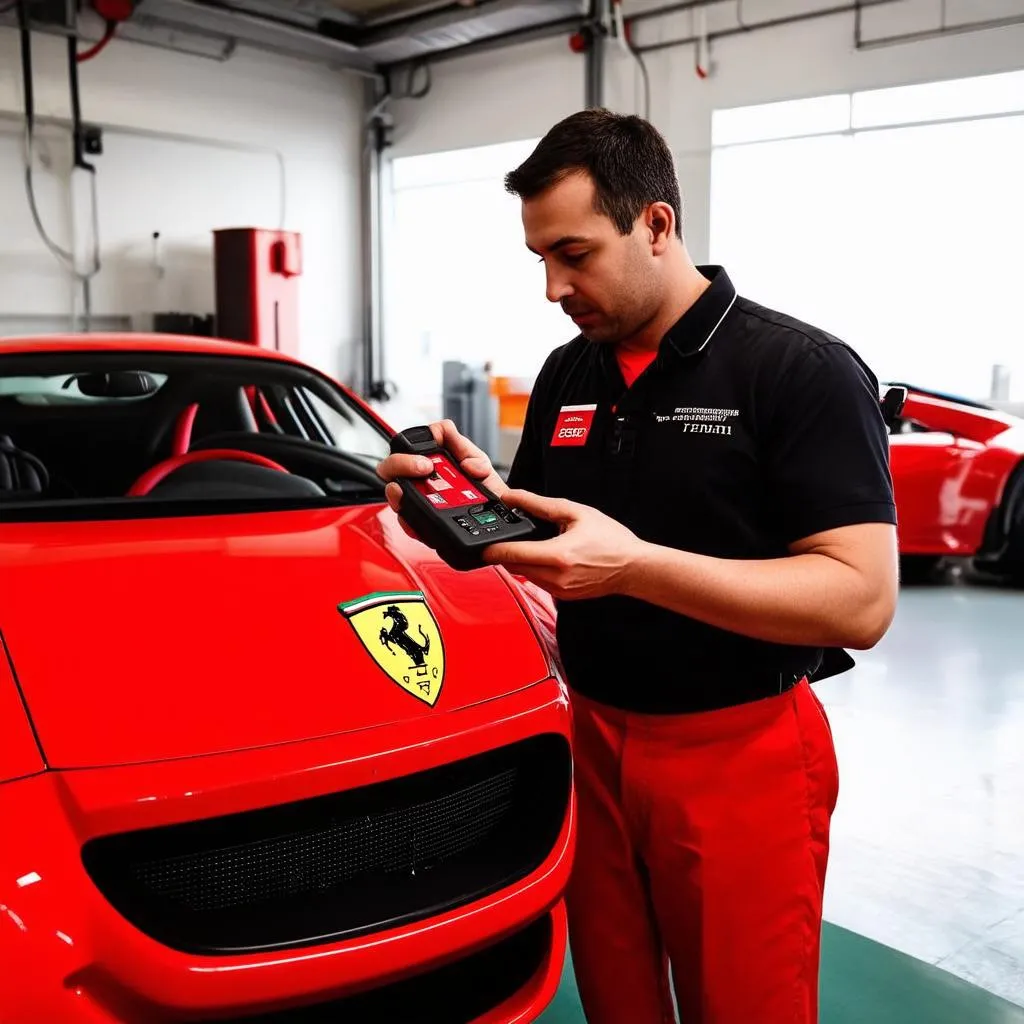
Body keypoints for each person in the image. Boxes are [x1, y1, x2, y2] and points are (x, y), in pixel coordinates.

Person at [376, 108, 899, 1024]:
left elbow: (860, 599)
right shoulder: (568, 374)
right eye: (539, 259)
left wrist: (635, 569)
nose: (552, 286)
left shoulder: (797, 370)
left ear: (655, 225)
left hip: (743, 753)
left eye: (574, 254)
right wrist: (464, 503)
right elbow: (545, 546)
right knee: (618, 1001)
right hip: (593, 741)